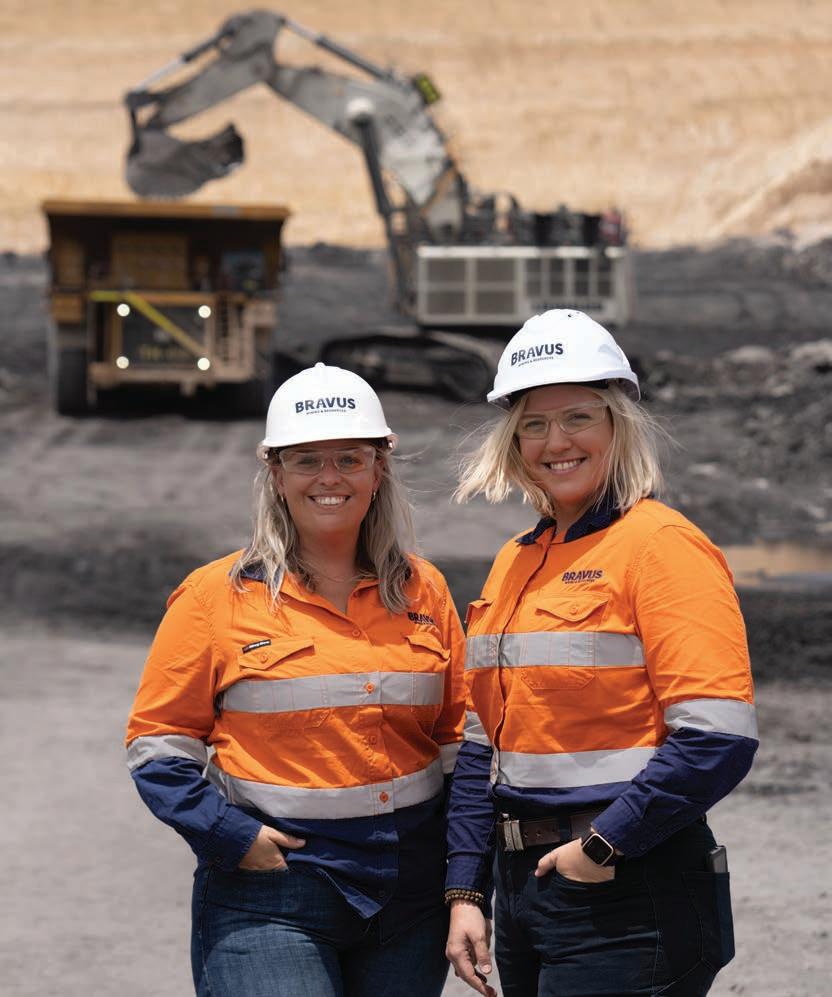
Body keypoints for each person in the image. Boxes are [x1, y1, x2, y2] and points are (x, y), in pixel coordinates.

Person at [444, 310, 758, 997]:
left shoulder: (661, 546)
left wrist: (603, 844)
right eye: (533, 423)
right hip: (525, 890)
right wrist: (466, 888)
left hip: (629, 889)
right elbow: (479, 747)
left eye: (578, 417)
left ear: (619, 423)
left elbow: (718, 736)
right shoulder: (514, 561)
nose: (555, 441)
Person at [126, 362, 465, 997]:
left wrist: (466, 881)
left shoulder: (425, 589)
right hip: (274, 893)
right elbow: (158, 745)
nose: (329, 477)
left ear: (378, 470)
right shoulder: (214, 596)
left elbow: (455, 745)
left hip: (411, 898)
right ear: (276, 474)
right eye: (307, 460)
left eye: (349, 459)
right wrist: (232, 837)